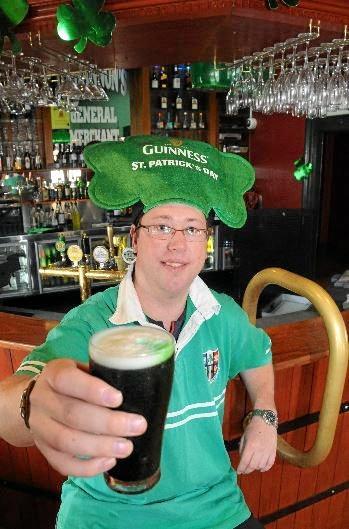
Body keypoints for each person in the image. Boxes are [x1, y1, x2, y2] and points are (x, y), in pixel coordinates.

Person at [0, 136, 277, 529]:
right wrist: (31, 403)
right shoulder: (92, 323)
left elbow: (258, 356)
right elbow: (10, 405)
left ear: (206, 242)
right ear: (134, 238)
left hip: (216, 511)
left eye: (192, 229)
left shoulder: (223, 315)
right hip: (109, 518)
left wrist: (265, 415)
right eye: (162, 227)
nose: (178, 244)